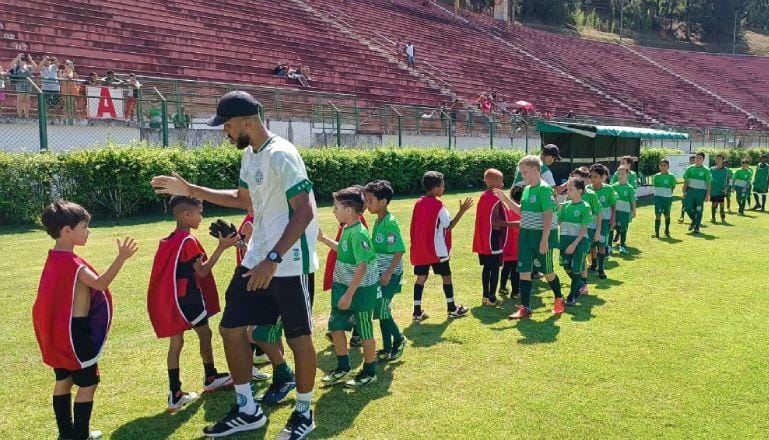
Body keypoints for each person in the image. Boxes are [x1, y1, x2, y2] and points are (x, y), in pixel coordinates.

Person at [150, 90, 319, 439]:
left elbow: (305, 211)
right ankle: (247, 408)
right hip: (257, 258)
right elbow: (242, 199)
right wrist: (191, 189)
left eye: (227, 125)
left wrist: (274, 259)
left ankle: (304, 413)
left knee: (299, 338)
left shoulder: (282, 155)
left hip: (289, 263)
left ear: (246, 122)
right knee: (231, 329)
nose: (225, 132)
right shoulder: (250, 156)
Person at [33, 201, 138, 440]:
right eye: (84, 226)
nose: (88, 231)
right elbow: (100, 283)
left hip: (57, 333)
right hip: (76, 334)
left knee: (63, 379)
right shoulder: (73, 265)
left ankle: (66, 434)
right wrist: (121, 257)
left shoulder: (53, 259)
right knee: (88, 384)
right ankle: (80, 435)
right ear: (67, 231)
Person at [147, 196, 237, 413]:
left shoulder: (170, 239)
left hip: (176, 300)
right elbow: (203, 271)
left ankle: (175, 393)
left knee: (176, 345)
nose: (201, 216)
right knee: (205, 335)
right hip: (189, 301)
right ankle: (211, 376)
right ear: (186, 215)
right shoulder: (188, 241)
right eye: (199, 212)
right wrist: (222, 247)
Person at [317, 187, 380, 387]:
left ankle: (370, 371)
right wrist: (323, 239)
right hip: (342, 287)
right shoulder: (347, 228)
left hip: (359, 291)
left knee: (365, 330)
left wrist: (349, 294)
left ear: (349, 210)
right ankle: (343, 368)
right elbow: (343, 252)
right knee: (335, 327)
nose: (333, 211)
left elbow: (363, 265)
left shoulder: (360, 233)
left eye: (336, 207)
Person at [494, 155, 565, 320]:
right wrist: (505, 199)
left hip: (540, 236)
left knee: (547, 272)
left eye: (524, 172)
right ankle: (525, 308)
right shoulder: (526, 189)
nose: (522, 175)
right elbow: (521, 212)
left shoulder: (544, 189)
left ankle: (559, 299)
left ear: (535, 170)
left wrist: (545, 239)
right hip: (525, 236)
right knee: (524, 271)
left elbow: (548, 215)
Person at [409, 171, 472, 322]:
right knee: (446, 277)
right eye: (442, 185)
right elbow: (448, 226)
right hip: (438, 250)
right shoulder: (438, 205)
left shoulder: (418, 202)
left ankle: (417, 312)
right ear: (435, 188)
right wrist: (462, 211)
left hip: (421, 249)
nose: (444, 188)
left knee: (421, 278)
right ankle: (452, 308)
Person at [364, 180, 407, 361]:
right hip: (379, 274)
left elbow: (399, 250)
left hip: (390, 274)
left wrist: (389, 272)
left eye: (370, 200)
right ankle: (387, 348)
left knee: (382, 308)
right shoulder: (378, 221)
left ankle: (399, 339)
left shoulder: (390, 222)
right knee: (381, 309)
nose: (367, 204)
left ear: (382, 202)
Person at [472, 168, 515, 307]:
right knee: (495, 268)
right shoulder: (496, 197)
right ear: (494, 181)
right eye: (501, 180)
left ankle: (485, 296)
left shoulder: (484, 196)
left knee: (487, 268)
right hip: (493, 238)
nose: (503, 183)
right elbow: (495, 221)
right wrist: (513, 224)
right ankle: (492, 297)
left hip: (484, 238)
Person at [557, 178, 593, 306]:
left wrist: (574, 244)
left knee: (576, 269)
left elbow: (584, 229)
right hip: (565, 242)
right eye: (568, 188)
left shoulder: (585, 207)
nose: (568, 191)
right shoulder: (565, 205)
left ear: (580, 190)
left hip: (579, 243)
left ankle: (572, 296)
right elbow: (559, 221)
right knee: (567, 268)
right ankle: (580, 284)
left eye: (571, 189)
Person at [570, 167, 600, 295]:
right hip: (572, 231)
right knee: (573, 259)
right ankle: (579, 282)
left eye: (577, 178)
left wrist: (598, 231)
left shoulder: (591, 194)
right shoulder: (570, 193)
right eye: (573, 178)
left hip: (588, 230)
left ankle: (584, 284)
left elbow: (599, 214)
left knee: (581, 257)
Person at [587, 164, 616, 280]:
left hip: (604, 221)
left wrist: (613, 218)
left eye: (595, 176)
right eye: (591, 176)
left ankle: (601, 268)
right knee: (591, 244)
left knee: (602, 244)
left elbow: (613, 205)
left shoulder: (609, 189)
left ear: (602, 176)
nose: (593, 179)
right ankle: (593, 263)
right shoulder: (587, 189)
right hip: (590, 221)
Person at [498, 182, 523, 298]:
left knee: (506, 267)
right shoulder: (523, 213)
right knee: (515, 270)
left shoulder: (507, 211)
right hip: (517, 246)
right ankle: (515, 292)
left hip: (506, 244)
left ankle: (502, 288)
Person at [682, 152, 712, 234]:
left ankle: (697, 227)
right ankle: (694, 221)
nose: (698, 159)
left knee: (698, 210)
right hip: (690, 191)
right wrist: (684, 191)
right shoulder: (689, 168)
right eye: (697, 157)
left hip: (701, 192)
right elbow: (686, 181)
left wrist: (707, 195)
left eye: (700, 158)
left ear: (703, 160)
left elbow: (709, 184)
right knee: (687, 208)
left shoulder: (706, 170)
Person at [612, 166, 637, 253]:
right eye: (619, 173)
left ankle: (622, 246)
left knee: (623, 229)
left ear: (627, 175)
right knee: (613, 227)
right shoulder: (613, 186)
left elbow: (633, 201)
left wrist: (634, 211)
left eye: (622, 173)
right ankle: (609, 246)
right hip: (615, 211)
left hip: (625, 212)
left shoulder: (630, 188)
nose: (620, 175)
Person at [652, 159, 677, 238]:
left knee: (667, 215)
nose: (662, 167)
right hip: (658, 198)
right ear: (659, 166)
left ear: (668, 167)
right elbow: (655, 186)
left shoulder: (671, 176)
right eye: (661, 165)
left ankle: (667, 230)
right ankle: (657, 233)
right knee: (658, 215)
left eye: (664, 165)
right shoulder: (656, 176)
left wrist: (668, 193)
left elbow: (673, 186)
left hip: (667, 198)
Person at [10, 53, 37, 118]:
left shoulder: (29, 67)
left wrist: (31, 59)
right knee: (20, 101)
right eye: (22, 58)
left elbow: (36, 68)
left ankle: (27, 115)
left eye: (24, 58)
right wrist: (17, 57)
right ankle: (20, 115)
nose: (23, 59)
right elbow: (11, 64)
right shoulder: (17, 66)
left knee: (27, 101)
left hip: (28, 85)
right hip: (20, 85)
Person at [710, 154, 729, 223]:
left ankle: (723, 219)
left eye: (720, 159)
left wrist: (726, 188)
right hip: (714, 191)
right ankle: (713, 217)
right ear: (715, 160)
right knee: (714, 204)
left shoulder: (725, 170)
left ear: (722, 160)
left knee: (722, 205)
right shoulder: (711, 169)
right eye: (717, 159)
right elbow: (708, 181)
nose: (718, 160)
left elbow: (728, 180)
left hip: (721, 191)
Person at [678, 155, 696, 223]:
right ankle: (681, 217)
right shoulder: (688, 168)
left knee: (694, 204)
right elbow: (686, 180)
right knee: (684, 202)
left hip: (694, 190)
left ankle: (694, 219)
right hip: (687, 188)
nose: (691, 162)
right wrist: (684, 188)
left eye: (693, 160)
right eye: (690, 160)